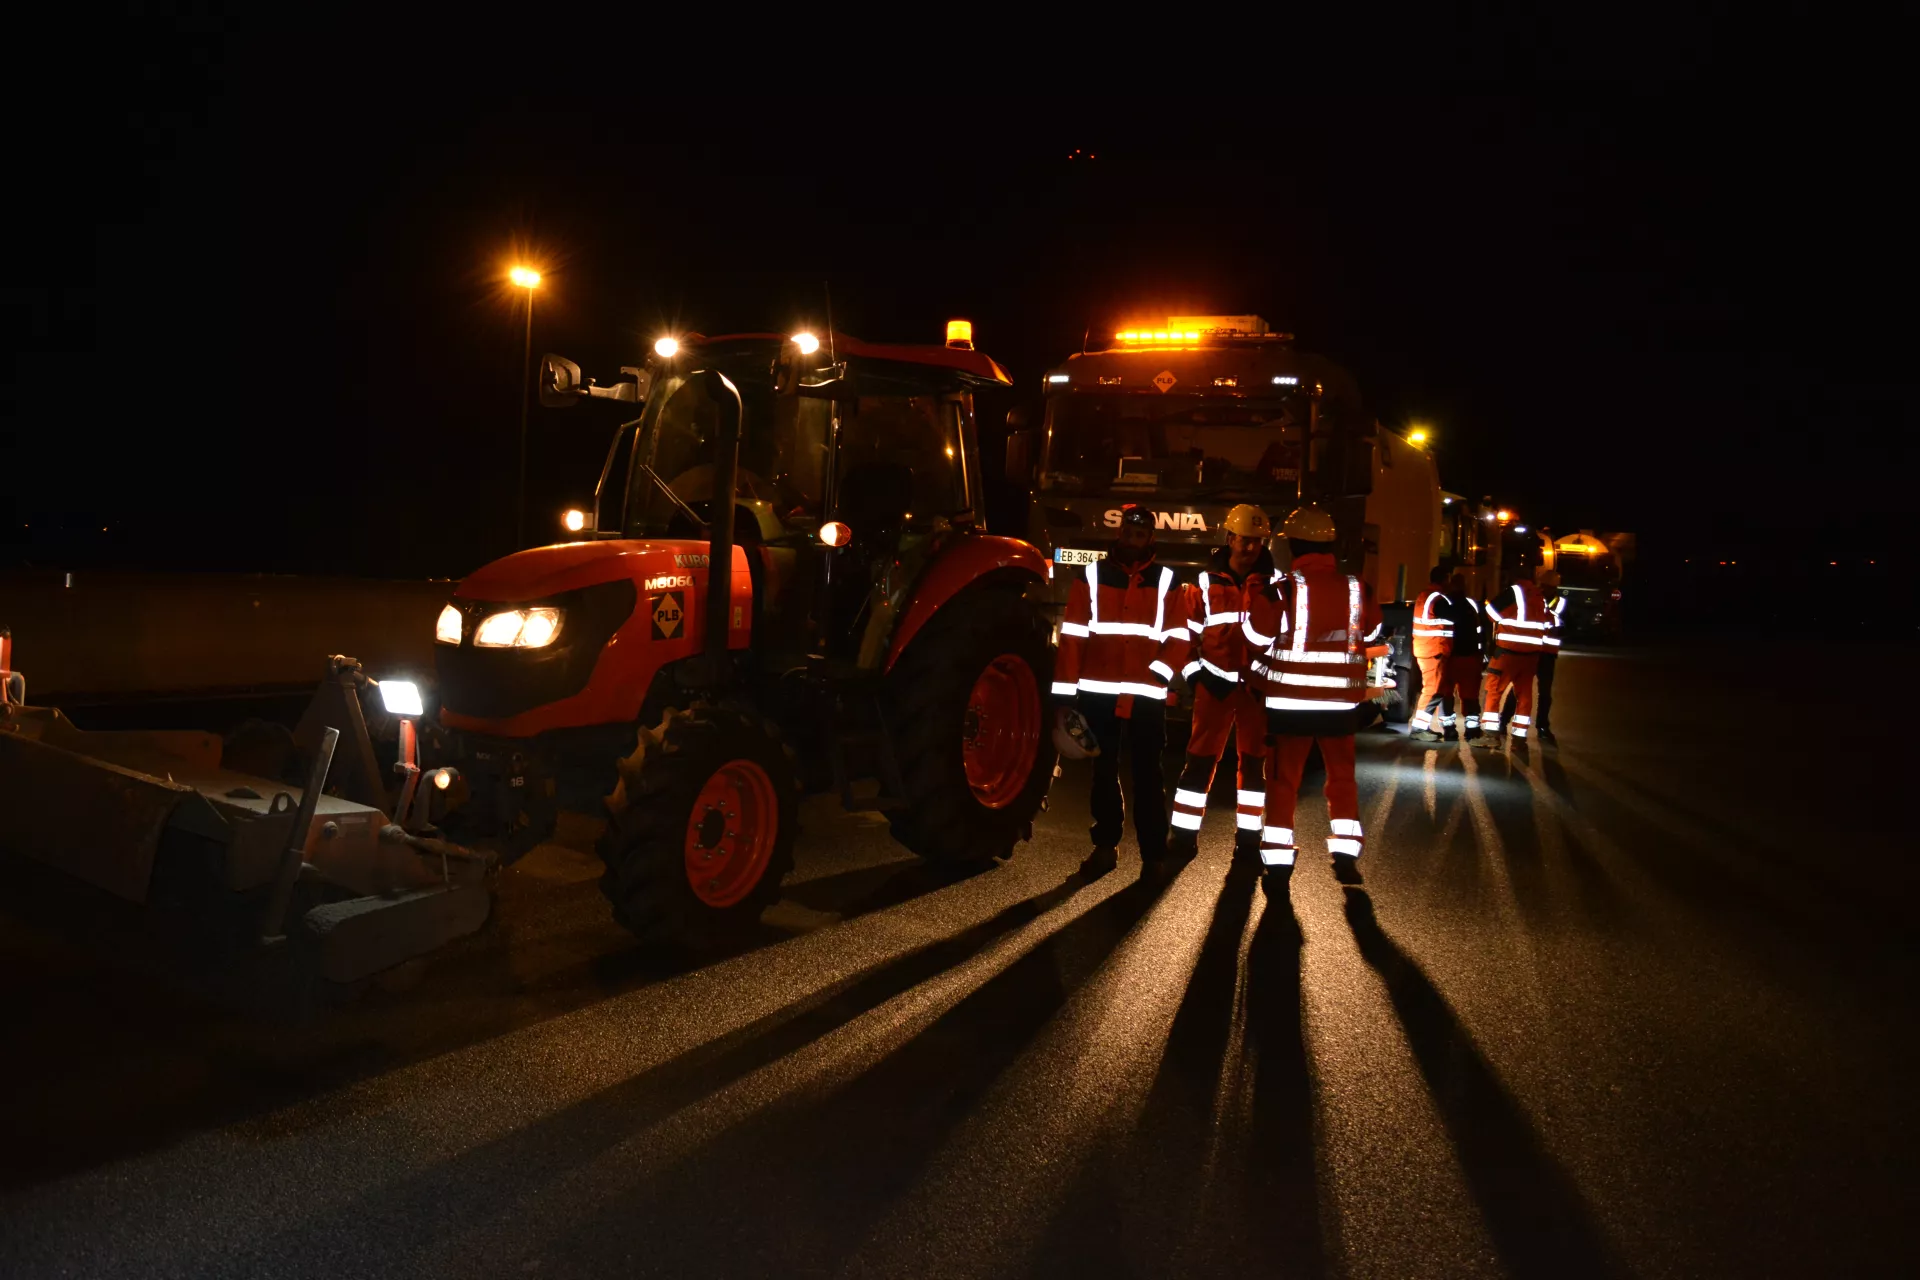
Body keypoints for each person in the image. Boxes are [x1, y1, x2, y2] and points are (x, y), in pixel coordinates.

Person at [1243, 503, 1387, 888]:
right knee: (1341, 777)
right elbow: (1372, 636)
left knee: (1282, 781)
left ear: (1291, 546)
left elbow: (1255, 639)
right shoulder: (1358, 589)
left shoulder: (1281, 591)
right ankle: (1345, 854)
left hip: (1290, 705)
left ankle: (1277, 862)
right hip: (1340, 704)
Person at [1052, 503, 1185, 877]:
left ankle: (1153, 857)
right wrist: (1063, 698)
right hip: (1099, 694)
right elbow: (1073, 637)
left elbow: (1179, 637)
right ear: (1120, 534)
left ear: (1150, 539)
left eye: (1140, 534)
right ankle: (1105, 848)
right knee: (1103, 774)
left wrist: (1157, 676)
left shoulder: (1166, 580)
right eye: (1128, 533)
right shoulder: (1090, 576)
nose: (1133, 539)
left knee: (1149, 776)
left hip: (1145, 696)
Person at [1155, 503, 1274, 861]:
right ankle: (1183, 837)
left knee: (1254, 766)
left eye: (1256, 541)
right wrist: (1197, 679)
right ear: (1230, 539)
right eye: (1244, 540)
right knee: (1200, 762)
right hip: (1215, 687)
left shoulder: (1275, 584)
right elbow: (1185, 635)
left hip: (1255, 689)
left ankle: (1249, 840)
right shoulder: (1204, 584)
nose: (1250, 547)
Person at [1481, 565, 1549, 749]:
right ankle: (1519, 739)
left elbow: (1491, 613)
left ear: (1514, 578)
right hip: (1532, 655)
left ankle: (1491, 735)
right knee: (1524, 694)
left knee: (1494, 689)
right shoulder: (1539, 595)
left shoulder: (1513, 592)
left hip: (1508, 652)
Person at [1407, 564, 1455, 743]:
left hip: (1427, 648)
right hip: (1433, 649)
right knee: (1432, 689)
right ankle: (1419, 729)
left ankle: (1423, 727)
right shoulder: (1438, 598)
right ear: (1445, 579)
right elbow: (1453, 617)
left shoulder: (1426, 595)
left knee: (1435, 689)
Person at [1440, 568, 1488, 744]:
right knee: (1470, 695)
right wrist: (1483, 654)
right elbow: (1482, 630)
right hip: (1470, 656)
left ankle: (1449, 729)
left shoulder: (1444, 604)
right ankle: (1472, 730)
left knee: (1446, 694)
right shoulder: (1472, 605)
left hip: (1450, 657)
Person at [1534, 567, 1564, 744]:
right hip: (1534, 650)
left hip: (1547, 653)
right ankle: (1504, 720)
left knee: (1544, 693)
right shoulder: (1535, 600)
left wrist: (1556, 628)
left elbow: (1566, 625)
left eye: (1546, 586)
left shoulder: (1559, 603)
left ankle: (1543, 726)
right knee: (1519, 690)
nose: (1543, 589)